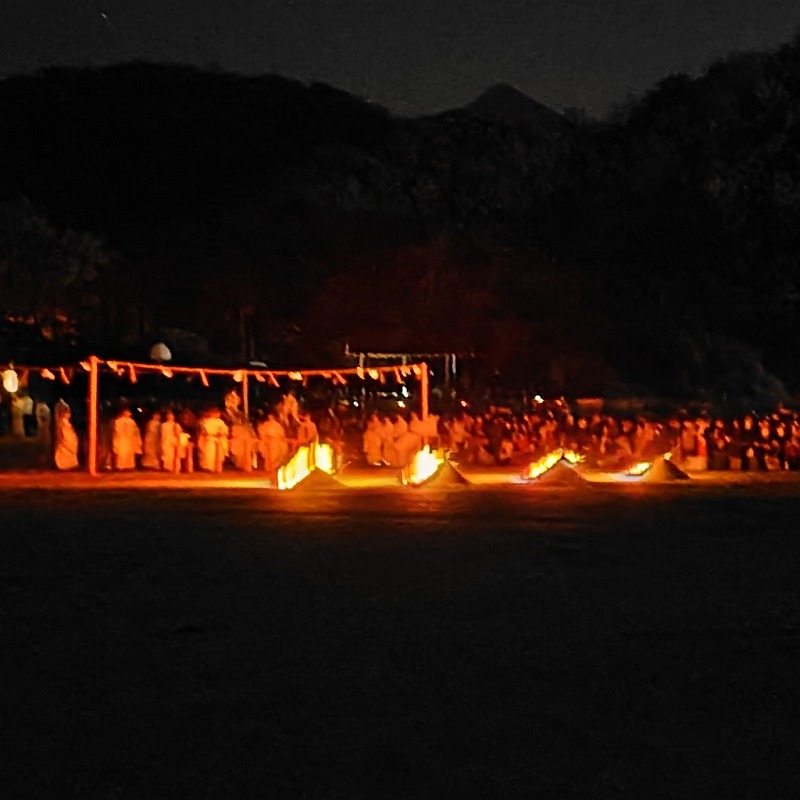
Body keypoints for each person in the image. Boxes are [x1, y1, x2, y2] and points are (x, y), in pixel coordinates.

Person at [54, 401, 79, 470]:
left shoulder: (67, 422)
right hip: (65, 442)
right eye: (67, 412)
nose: (69, 414)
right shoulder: (61, 423)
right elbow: (60, 433)